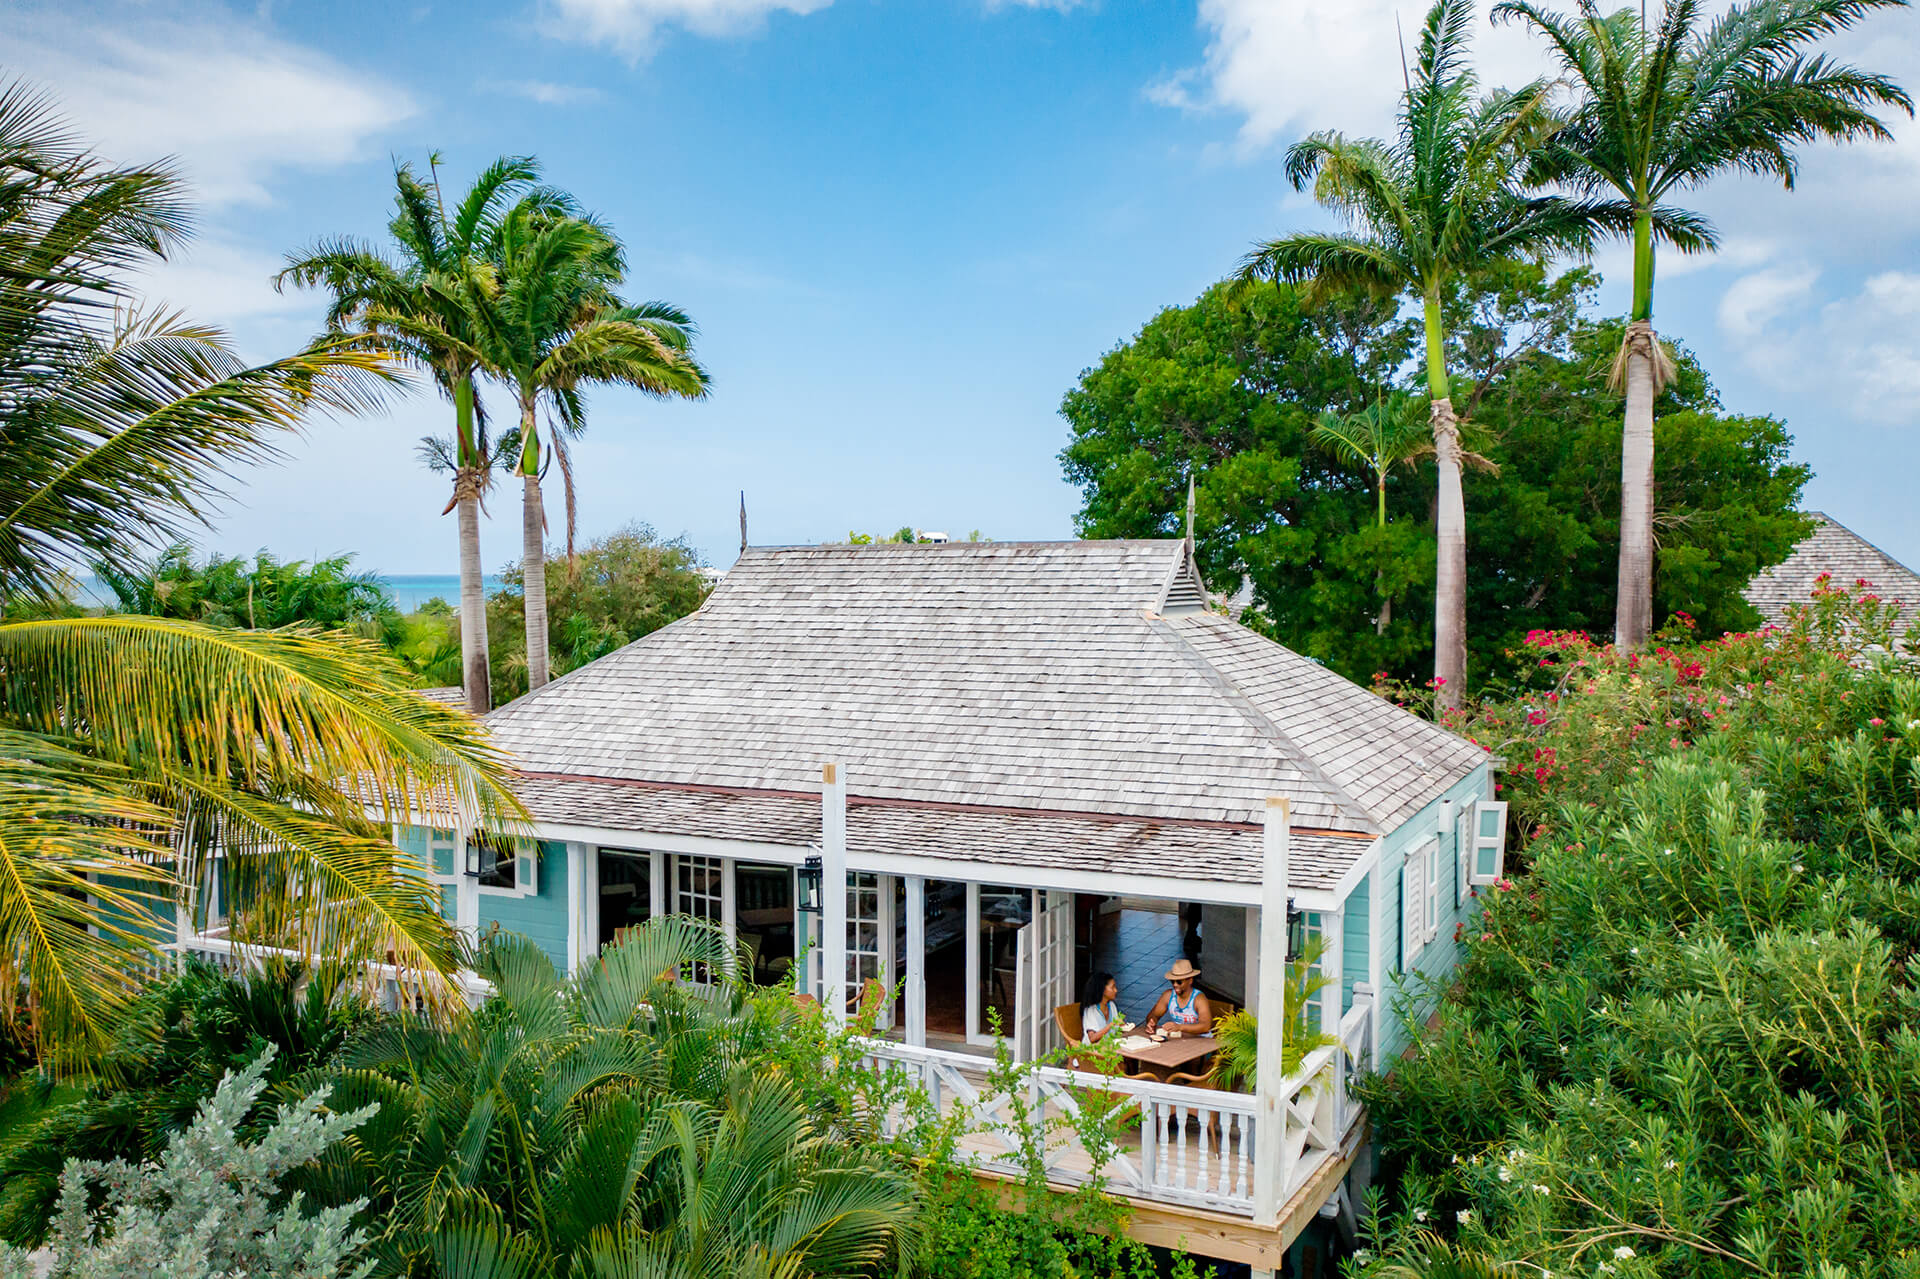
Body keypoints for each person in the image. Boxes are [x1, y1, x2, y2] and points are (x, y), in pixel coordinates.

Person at [1144, 958, 1213, 1037]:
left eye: (1179, 982)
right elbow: (1154, 1015)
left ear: (1190, 980)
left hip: (1201, 1040)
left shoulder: (1199, 998)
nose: (1175, 985)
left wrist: (1180, 1027)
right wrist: (1152, 1022)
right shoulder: (1168, 995)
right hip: (1180, 1039)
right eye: (1172, 981)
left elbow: (1205, 1026)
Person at [1080, 971, 1125, 1044]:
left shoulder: (1111, 1005)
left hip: (1108, 1047)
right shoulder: (1091, 1010)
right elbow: (1092, 1038)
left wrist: (1122, 1025)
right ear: (1102, 990)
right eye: (1112, 987)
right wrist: (1112, 1024)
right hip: (1092, 1051)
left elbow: (1116, 1029)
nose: (1116, 990)